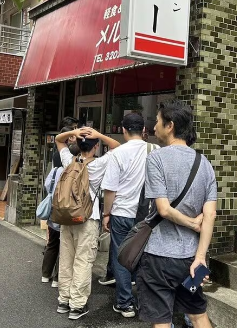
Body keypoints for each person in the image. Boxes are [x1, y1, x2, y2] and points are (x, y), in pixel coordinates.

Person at [137, 99, 217, 328]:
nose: (154, 127)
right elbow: (209, 216)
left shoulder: (156, 159)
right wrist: (200, 257)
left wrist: (191, 224)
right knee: (197, 314)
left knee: (161, 319)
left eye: (158, 122)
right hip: (191, 258)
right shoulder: (205, 164)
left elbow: (162, 209)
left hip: (158, 256)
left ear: (170, 126)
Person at [55, 126, 120, 320]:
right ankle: (77, 305)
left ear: (77, 144)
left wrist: (72, 133)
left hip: (67, 217)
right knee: (83, 261)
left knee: (66, 259)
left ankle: (63, 300)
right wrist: (98, 134)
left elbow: (59, 140)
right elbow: (117, 146)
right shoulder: (99, 164)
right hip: (87, 218)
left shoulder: (70, 161)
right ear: (96, 146)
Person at [101, 112, 159, 318]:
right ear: (144, 130)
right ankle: (145, 301)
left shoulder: (118, 154)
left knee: (121, 257)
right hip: (148, 214)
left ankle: (125, 303)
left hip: (122, 213)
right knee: (144, 257)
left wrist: (106, 213)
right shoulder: (156, 150)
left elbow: (110, 189)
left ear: (124, 130)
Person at [41, 130, 79, 288]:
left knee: (52, 243)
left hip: (53, 211)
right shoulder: (74, 170)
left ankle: (45, 274)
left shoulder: (55, 170)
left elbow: (46, 185)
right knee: (65, 246)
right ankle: (57, 279)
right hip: (66, 211)